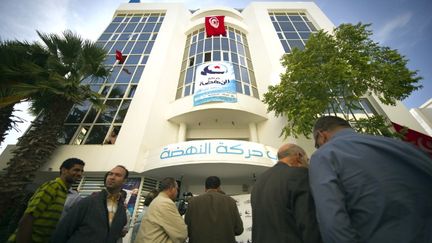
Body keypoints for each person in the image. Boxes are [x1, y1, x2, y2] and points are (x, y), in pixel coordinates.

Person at [310, 116, 432, 243]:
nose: (319, 148)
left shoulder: (324, 155)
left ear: (322, 135)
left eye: (318, 145)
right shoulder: (404, 146)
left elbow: (332, 220)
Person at [251, 144, 321, 243]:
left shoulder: (260, 180)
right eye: (307, 160)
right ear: (299, 156)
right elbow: (308, 222)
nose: (308, 164)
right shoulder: (299, 175)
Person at [8, 158, 85, 243]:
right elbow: (28, 218)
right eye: (76, 170)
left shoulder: (63, 191)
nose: (80, 174)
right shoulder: (52, 186)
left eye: (81, 171)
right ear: (64, 170)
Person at [51, 165, 129, 243]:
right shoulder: (89, 202)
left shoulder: (122, 211)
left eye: (118, 175)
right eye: (110, 174)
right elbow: (64, 229)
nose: (112, 177)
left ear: (124, 181)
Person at [185, 176, 243, 243]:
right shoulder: (231, 201)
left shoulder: (193, 202)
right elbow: (239, 229)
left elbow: (186, 229)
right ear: (219, 187)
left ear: (205, 188)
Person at [134, 177, 187, 243]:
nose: (177, 192)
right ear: (171, 189)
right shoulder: (166, 203)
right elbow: (181, 233)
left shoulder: (157, 200)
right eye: (176, 189)